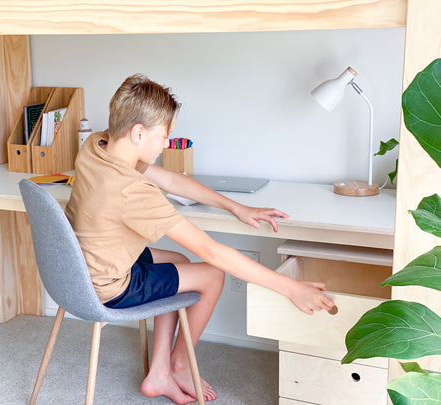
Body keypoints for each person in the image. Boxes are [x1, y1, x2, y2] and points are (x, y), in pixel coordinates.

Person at [65, 73, 334, 404]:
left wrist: (236, 206)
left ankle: (159, 371)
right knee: (212, 275)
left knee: (178, 262)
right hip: (109, 285)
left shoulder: (98, 145)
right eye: (165, 135)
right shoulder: (132, 191)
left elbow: (173, 181)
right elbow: (212, 252)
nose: (167, 144)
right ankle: (179, 364)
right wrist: (289, 287)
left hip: (80, 268)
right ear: (138, 133)